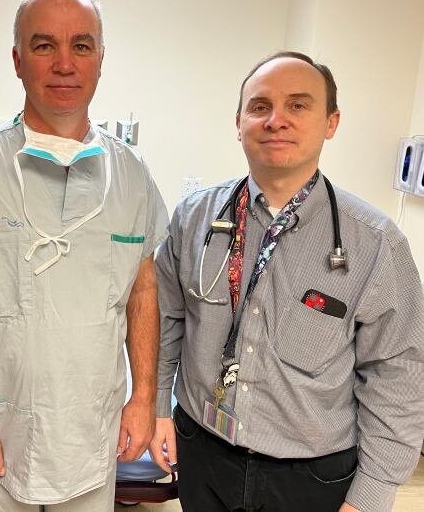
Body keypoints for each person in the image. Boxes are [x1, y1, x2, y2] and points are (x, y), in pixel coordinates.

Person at [0, 0, 168, 511]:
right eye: (43, 45)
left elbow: (142, 292)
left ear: (101, 59)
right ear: (17, 60)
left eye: (81, 46)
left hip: (90, 434)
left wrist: (144, 398)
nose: (64, 64)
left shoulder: (131, 175)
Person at [151, 51, 424, 512]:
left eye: (298, 105)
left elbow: (398, 376)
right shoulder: (194, 219)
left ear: (331, 122)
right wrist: (160, 406)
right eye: (260, 106)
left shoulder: (377, 245)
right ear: (238, 122)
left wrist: (373, 493)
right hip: (203, 452)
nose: (276, 120)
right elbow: (167, 320)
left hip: (312, 477)